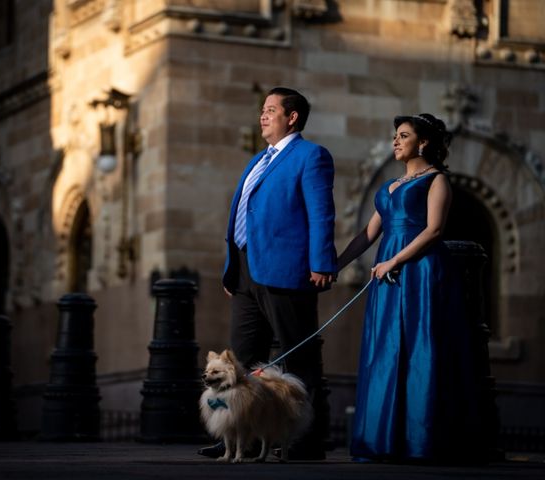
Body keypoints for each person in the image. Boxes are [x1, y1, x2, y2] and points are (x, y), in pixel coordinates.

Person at [198, 87, 338, 460]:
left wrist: (322, 260)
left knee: (299, 357)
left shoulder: (312, 156)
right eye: (262, 110)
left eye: (271, 110)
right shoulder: (258, 159)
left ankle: (306, 441)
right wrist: (235, 268)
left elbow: (321, 212)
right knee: (240, 360)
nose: (262, 116)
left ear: (291, 117)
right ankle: (232, 436)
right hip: (245, 271)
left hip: (287, 270)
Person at [337, 113, 483, 463]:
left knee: (421, 346)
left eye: (404, 135)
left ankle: (420, 441)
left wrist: (393, 262)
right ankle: (382, 440)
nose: (396, 141)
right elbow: (368, 235)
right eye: (395, 136)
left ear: (424, 143)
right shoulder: (388, 188)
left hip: (420, 272)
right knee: (386, 346)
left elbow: (433, 231)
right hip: (389, 274)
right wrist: (334, 265)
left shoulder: (437, 181)